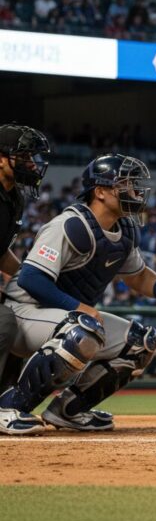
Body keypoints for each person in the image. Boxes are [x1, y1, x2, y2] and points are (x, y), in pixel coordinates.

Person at [0, 154, 156, 434]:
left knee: (141, 342)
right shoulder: (70, 224)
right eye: (127, 184)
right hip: (23, 311)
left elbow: (139, 277)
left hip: (65, 320)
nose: (136, 191)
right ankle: (9, 407)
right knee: (84, 330)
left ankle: (68, 410)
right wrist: (78, 307)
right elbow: (32, 278)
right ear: (101, 192)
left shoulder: (125, 229)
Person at [0, 125, 51, 433]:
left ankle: (6, 404)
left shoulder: (13, 198)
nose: (31, 162)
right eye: (23, 155)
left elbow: (1, 252)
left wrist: (26, 278)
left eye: (32, 156)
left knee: (20, 315)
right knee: (4, 321)